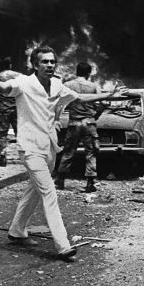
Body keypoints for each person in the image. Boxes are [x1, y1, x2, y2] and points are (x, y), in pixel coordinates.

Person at [0, 46, 119, 262]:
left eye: (51, 61)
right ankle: (63, 245)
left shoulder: (58, 84)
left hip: (50, 147)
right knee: (49, 192)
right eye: (44, 62)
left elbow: (79, 99)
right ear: (35, 65)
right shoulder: (23, 83)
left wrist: (109, 95)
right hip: (29, 148)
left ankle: (17, 231)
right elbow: (1, 87)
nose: (49, 65)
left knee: (35, 190)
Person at [54, 62, 105, 193]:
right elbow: (103, 103)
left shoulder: (67, 85)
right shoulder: (93, 86)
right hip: (89, 122)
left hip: (74, 122)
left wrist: (56, 119)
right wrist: (95, 115)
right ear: (88, 73)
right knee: (91, 152)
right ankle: (90, 183)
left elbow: (59, 104)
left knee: (68, 152)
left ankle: (60, 180)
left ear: (77, 71)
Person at [0, 56, 22, 167]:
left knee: (2, 134)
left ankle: (2, 157)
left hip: (3, 108)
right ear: (10, 65)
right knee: (19, 133)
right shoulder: (18, 75)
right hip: (16, 107)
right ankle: (25, 156)